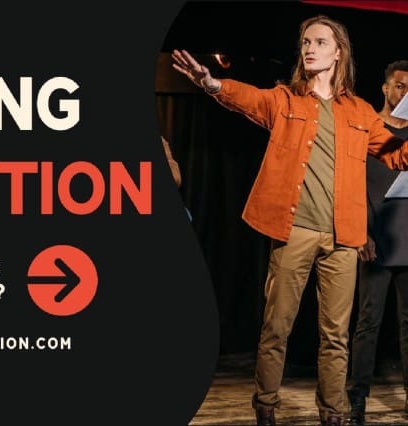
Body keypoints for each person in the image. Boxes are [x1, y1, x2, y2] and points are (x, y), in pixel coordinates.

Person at [171, 15, 408, 426]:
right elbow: (248, 98)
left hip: (343, 238)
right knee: (277, 326)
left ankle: (333, 413)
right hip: (294, 229)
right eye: (305, 42)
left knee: (336, 335)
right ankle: (266, 406)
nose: (309, 48)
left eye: (319, 42)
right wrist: (211, 84)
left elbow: (396, 155)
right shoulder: (286, 101)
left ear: (338, 52)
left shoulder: (360, 111)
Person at [347, 60, 408, 426]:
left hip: (407, 236)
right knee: (368, 322)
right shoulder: (368, 128)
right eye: (399, 85)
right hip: (375, 239)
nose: (405, 92)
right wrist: (361, 233)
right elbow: (352, 186)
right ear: (385, 88)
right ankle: (356, 400)